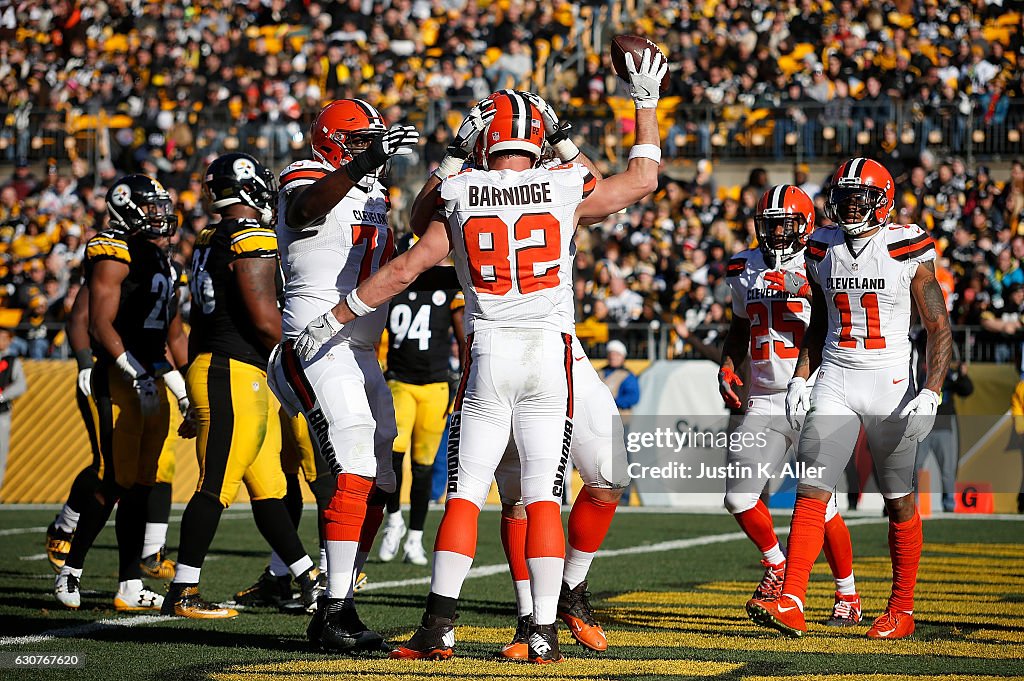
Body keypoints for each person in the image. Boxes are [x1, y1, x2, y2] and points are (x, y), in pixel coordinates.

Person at [292, 46, 665, 663]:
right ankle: (540, 631)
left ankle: (440, 625)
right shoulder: (565, 181)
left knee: (465, 495)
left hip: (489, 350)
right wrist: (643, 104)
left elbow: (410, 256)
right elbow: (641, 180)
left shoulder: (462, 189)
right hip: (551, 351)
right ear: (540, 140)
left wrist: (336, 314)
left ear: (479, 140)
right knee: (543, 494)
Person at [748, 157, 952, 640]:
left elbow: (937, 324)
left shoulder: (906, 244)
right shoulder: (821, 245)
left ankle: (901, 608)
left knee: (897, 498)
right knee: (812, 487)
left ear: (883, 202)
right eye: (844, 198)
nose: (851, 208)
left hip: (890, 384)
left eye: (860, 199)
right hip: (837, 375)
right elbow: (819, 319)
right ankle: (793, 598)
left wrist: (932, 391)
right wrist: (803, 375)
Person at [266, 100, 419, 652]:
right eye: (358, 143)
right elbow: (306, 208)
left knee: (379, 472)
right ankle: (332, 611)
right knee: (354, 454)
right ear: (332, 142)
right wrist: (357, 166)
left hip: (359, 349)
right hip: (314, 341)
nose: (369, 153)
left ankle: (340, 595)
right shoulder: (304, 174)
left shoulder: (374, 192)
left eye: (373, 143)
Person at [162, 153, 322, 619]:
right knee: (215, 487)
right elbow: (263, 315)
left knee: (269, 487)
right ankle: (184, 589)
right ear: (249, 186)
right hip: (233, 371)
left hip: (227, 369)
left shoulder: (213, 237)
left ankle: (309, 579)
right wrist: (299, 354)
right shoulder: (249, 236)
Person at [719, 184, 861, 627]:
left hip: (816, 391)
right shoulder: (745, 267)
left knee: (824, 504)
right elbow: (740, 326)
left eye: (785, 224)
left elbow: (842, 311)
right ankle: (778, 566)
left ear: (804, 227)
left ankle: (848, 595)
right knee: (738, 497)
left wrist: (800, 284)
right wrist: (727, 365)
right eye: (770, 225)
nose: (776, 233)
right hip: (763, 396)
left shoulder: (822, 260)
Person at [54, 175, 189, 612]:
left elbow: (169, 336)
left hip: (149, 377)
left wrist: (184, 388)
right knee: (112, 477)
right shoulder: (110, 249)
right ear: (126, 206)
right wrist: (94, 363)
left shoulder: (160, 257)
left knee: (140, 486)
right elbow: (92, 320)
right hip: (116, 375)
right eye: (151, 206)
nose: (159, 214)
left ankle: (129, 584)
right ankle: (69, 571)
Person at [378, 265, 465, 566]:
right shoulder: (393, 285)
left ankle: (415, 536)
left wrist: (464, 379)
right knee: (391, 456)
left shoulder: (447, 291)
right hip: (400, 381)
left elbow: (463, 338)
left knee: (423, 466)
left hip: (435, 385)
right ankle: (394, 520)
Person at [0, 325, 26, 490]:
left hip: (2, 414)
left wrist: (3, 395)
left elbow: (21, 384)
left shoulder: (11, 361)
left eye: (3, 337)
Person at [601, 340, 640, 412]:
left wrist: (613, 402)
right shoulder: (599, 373)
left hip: (620, 416)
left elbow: (633, 397)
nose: (613, 357)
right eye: (611, 354)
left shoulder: (628, 376)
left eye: (617, 355)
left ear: (623, 357)